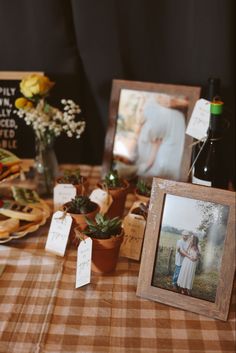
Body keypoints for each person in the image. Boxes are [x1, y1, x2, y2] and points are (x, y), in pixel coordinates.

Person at [136, 94, 188, 180]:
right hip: (166, 162)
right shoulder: (177, 116)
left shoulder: (156, 111)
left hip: (163, 164)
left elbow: (149, 134)